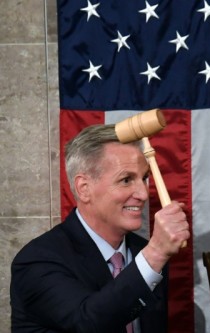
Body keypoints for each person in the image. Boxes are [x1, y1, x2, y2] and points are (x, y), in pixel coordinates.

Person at [10, 124, 190, 333]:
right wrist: (156, 253)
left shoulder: (144, 253)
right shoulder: (36, 260)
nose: (143, 194)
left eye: (144, 178)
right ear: (84, 189)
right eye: (126, 180)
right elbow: (88, 322)